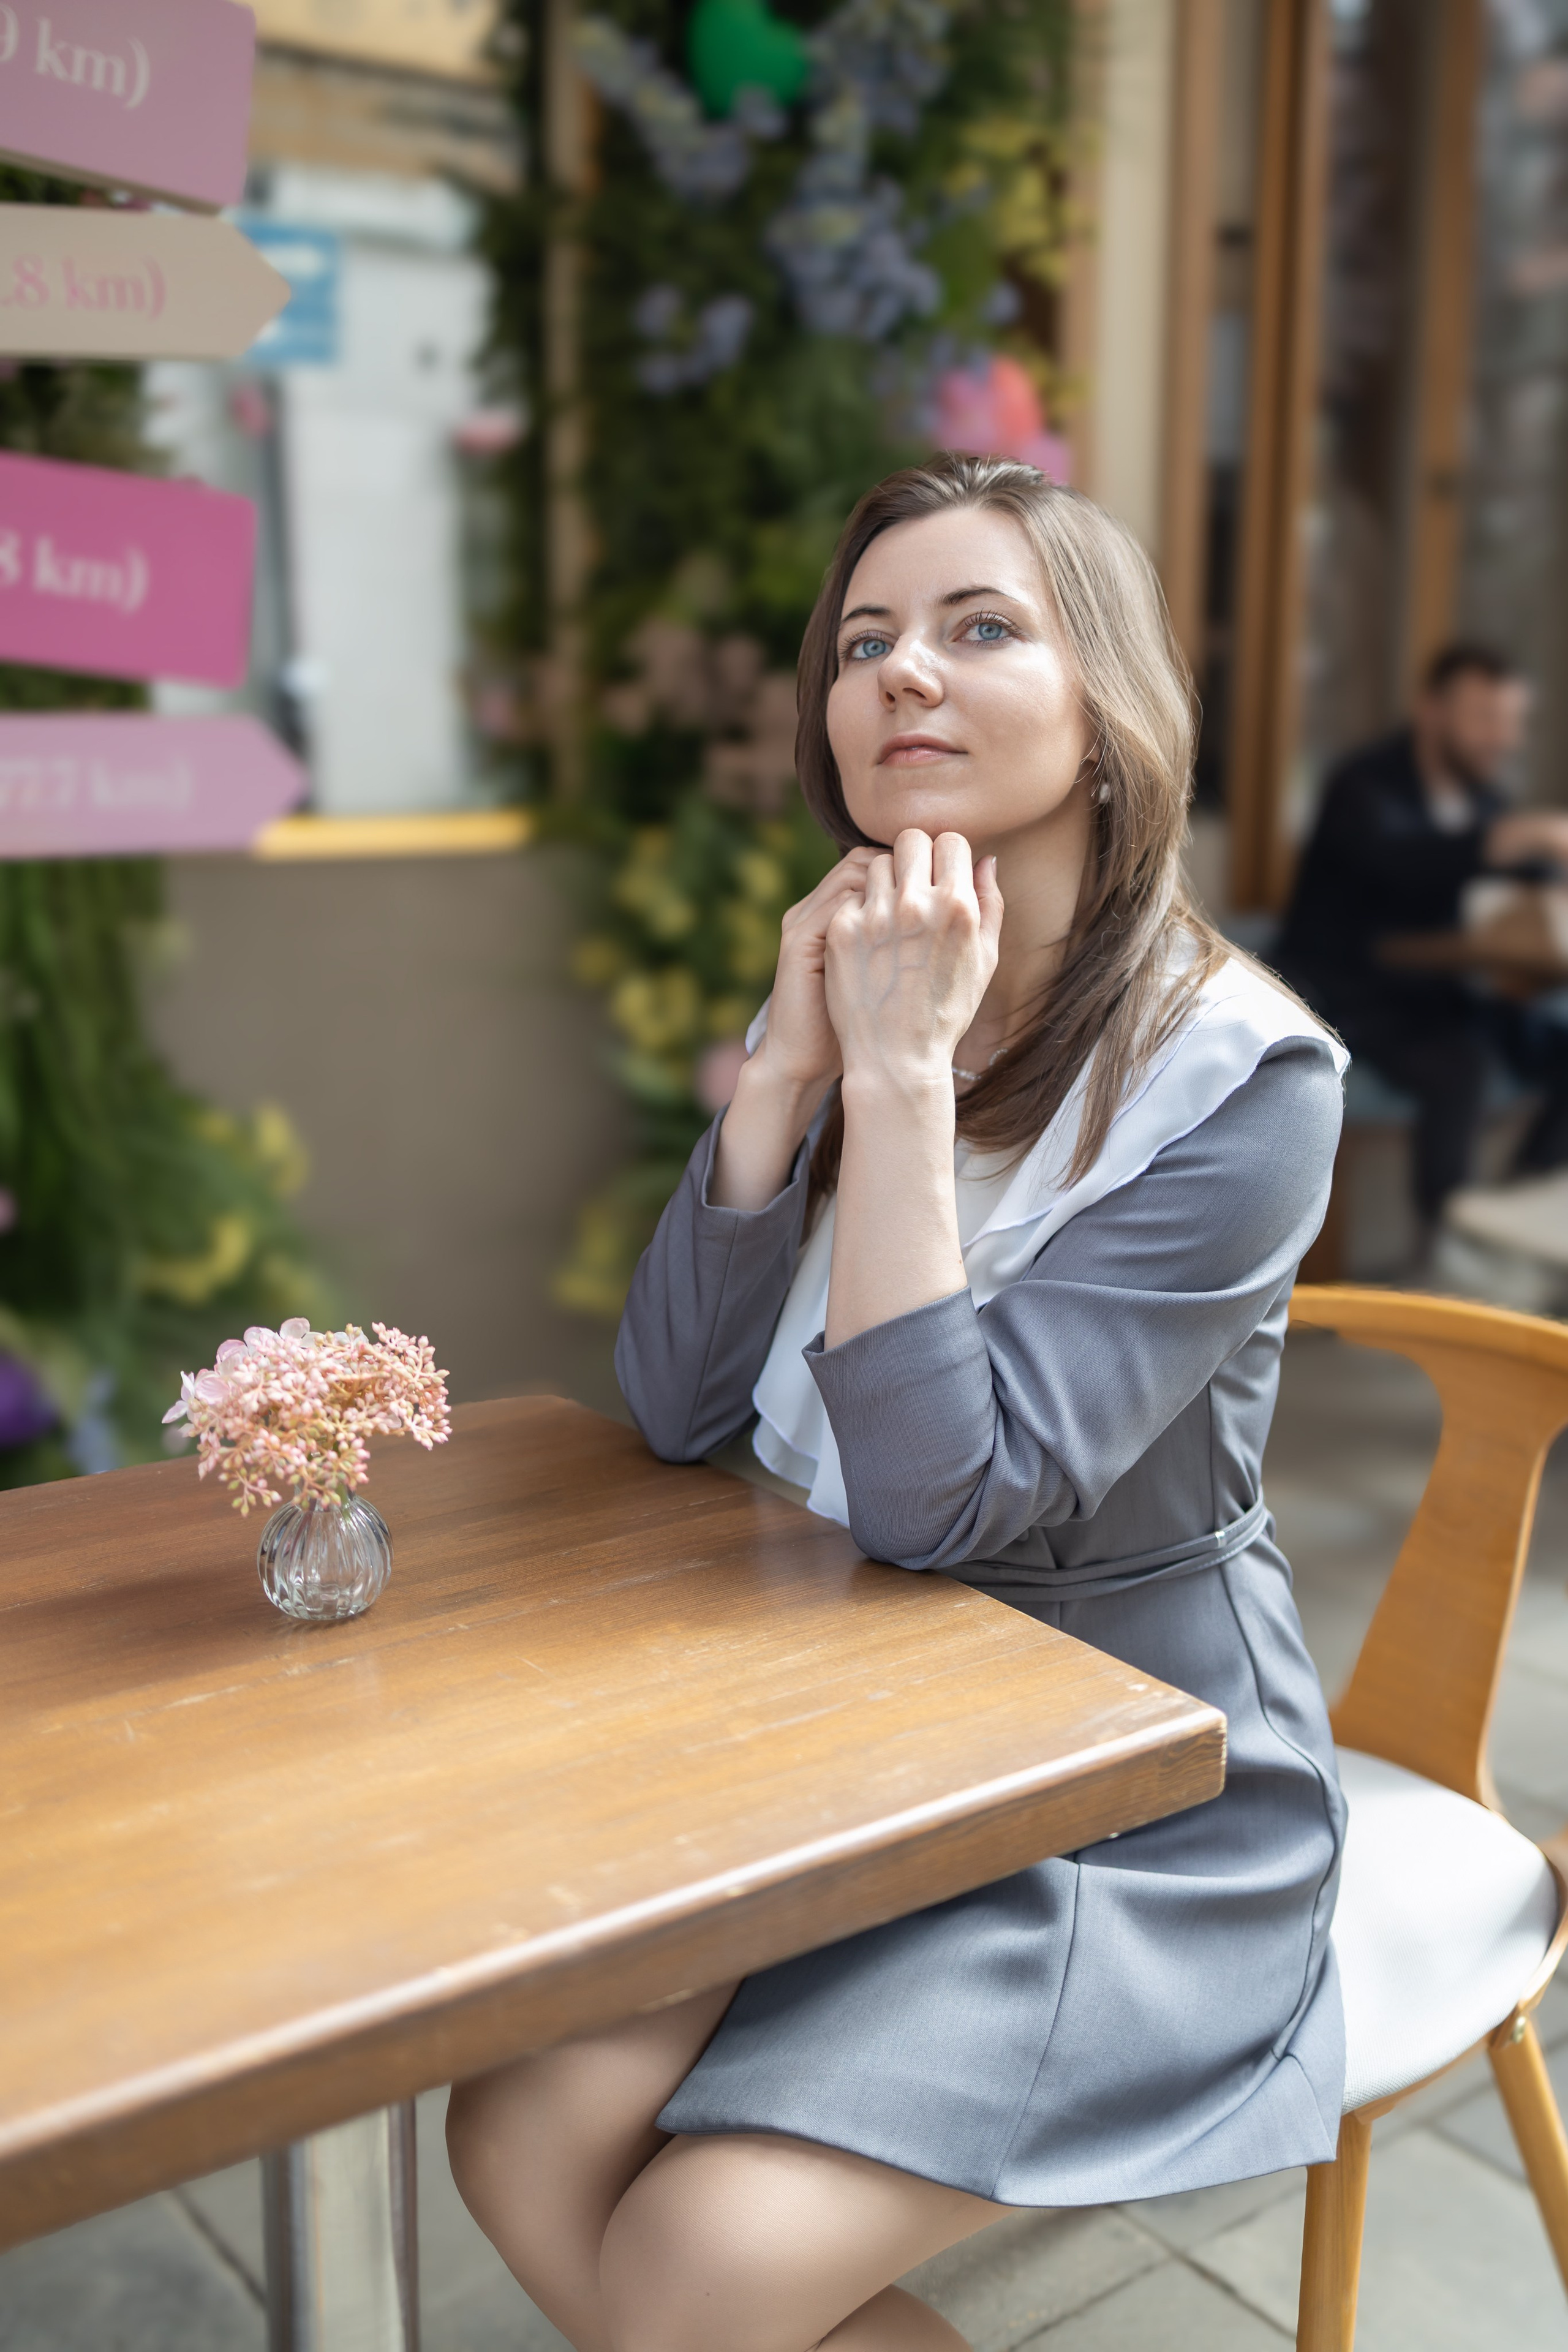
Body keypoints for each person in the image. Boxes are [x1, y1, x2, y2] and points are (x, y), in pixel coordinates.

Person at [446, 454, 1349, 2352]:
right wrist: (784, 1082)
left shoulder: (1243, 1079)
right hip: (843, 1732)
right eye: (864, 643)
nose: (898, 677)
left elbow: (946, 1501)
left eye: (976, 627)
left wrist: (910, 1083)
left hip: (1125, 1780)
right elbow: (676, 1407)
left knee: (699, 2256)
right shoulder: (877, 984)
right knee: (519, 2130)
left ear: (1107, 716)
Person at [1275, 643, 1568, 1231]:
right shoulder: (1363, 785)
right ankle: (1450, 1245)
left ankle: (1513, 1229)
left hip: (1446, 995)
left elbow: (1521, 881)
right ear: (1433, 711)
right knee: (1462, 1066)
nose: (1502, 738)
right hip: (1351, 999)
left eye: (1512, 722)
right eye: (1486, 718)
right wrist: (1505, 841)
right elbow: (1395, 864)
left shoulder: (1485, 801)